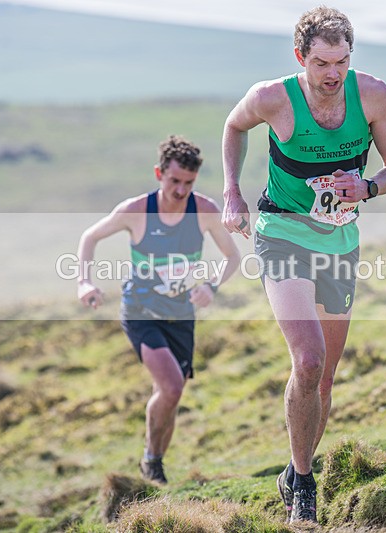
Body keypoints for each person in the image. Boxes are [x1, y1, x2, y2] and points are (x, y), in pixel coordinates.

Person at [221, 6, 386, 523]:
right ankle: (304, 484)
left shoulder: (372, 95)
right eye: (323, 62)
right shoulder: (271, 97)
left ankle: (292, 468)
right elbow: (233, 127)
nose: (333, 74)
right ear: (300, 57)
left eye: (343, 61)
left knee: (324, 378)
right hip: (281, 233)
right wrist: (232, 193)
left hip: (340, 241)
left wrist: (366, 187)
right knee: (307, 360)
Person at [77, 135, 240, 484]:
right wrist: (84, 282)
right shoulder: (136, 211)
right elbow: (89, 238)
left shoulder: (205, 211)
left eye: (189, 183)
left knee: (172, 394)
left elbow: (232, 257)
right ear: (159, 173)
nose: (181, 190)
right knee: (171, 387)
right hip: (141, 311)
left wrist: (211, 286)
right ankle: (151, 459)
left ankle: (155, 467)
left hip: (180, 315)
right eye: (174, 181)